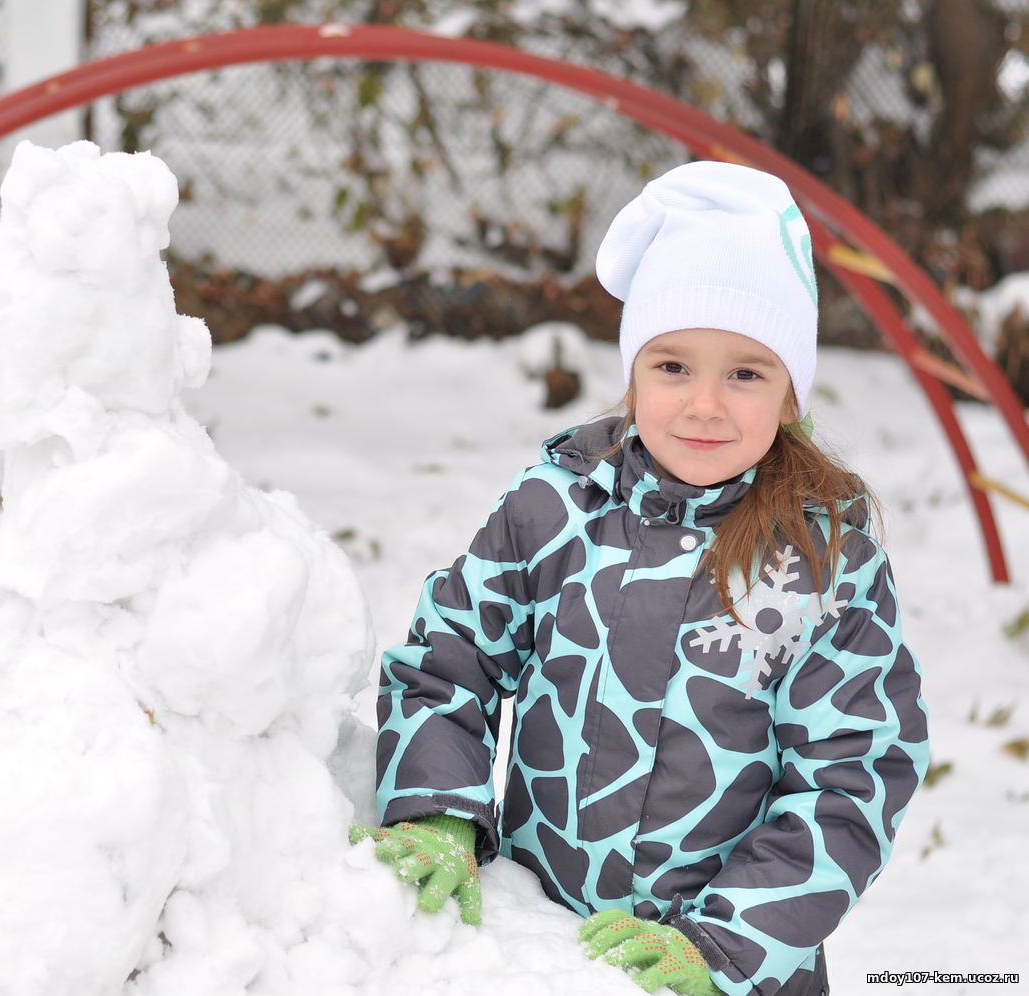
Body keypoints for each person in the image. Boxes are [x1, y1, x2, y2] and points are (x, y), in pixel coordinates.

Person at [350, 160, 930, 996]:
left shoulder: (823, 567)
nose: (703, 404)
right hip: (541, 944)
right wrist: (439, 807)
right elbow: (450, 657)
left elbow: (852, 777)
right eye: (672, 367)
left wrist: (724, 947)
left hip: (728, 972)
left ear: (791, 394)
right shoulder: (552, 510)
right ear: (631, 372)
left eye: (745, 372)